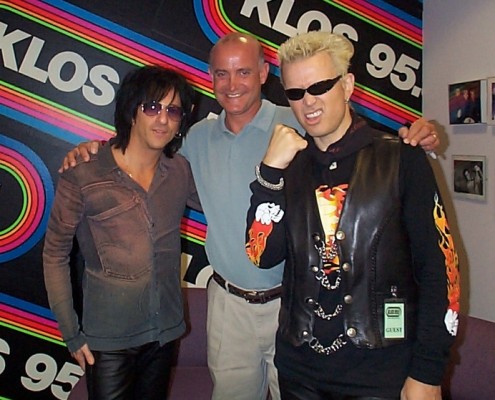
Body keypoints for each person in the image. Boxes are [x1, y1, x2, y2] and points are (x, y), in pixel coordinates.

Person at [60, 33, 440, 400]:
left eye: (243, 71)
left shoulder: (299, 121)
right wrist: (95, 152)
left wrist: (413, 138)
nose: (232, 84)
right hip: (229, 304)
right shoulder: (195, 139)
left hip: (294, 305)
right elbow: (142, 158)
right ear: (210, 79)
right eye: (221, 73)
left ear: (263, 74)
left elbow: (356, 148)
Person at [245, 31, 460, 399]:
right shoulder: (289, 166)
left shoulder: (401, 157)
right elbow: (259, 254)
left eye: (320, 86)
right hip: (300, 373)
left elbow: (441, 270)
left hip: (382, 373)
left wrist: (428, 372)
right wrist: (269, 176)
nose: (307, 102)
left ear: (346, 86)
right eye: (295, 93)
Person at [43, 65, 200, 400]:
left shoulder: (179, 171)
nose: (162, 119)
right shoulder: (84, 172)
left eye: (173, 111)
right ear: (132, 111)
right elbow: (55, 254)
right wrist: (71, 332)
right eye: (152, 107)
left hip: (165, 333)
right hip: (109, 342)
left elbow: (225, 203)